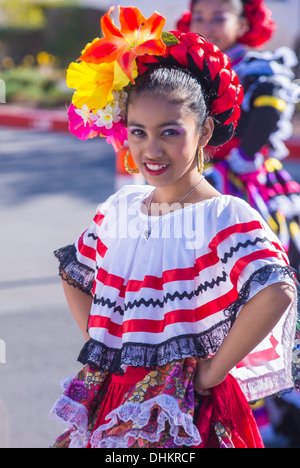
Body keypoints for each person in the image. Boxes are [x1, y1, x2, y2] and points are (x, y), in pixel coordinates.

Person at [49, 6, 300, 449]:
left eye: (169, 132)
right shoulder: (123, 206)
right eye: (138, 131)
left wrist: (210, 372)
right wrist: (105, 340)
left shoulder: (224, 213)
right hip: (115, 394)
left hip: (186, 410)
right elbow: (75, 274)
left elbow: (277, 290)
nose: (151, 148)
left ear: (203, 133)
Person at [177, 0, 300, 279]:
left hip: (242, 175)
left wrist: (246, 155)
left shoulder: (257, 68)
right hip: (190, 175)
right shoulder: (183, 68)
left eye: (218, 19)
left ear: (242, 25)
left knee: (254, 258)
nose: (207, 27)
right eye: (199, 18)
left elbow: (268, 113)